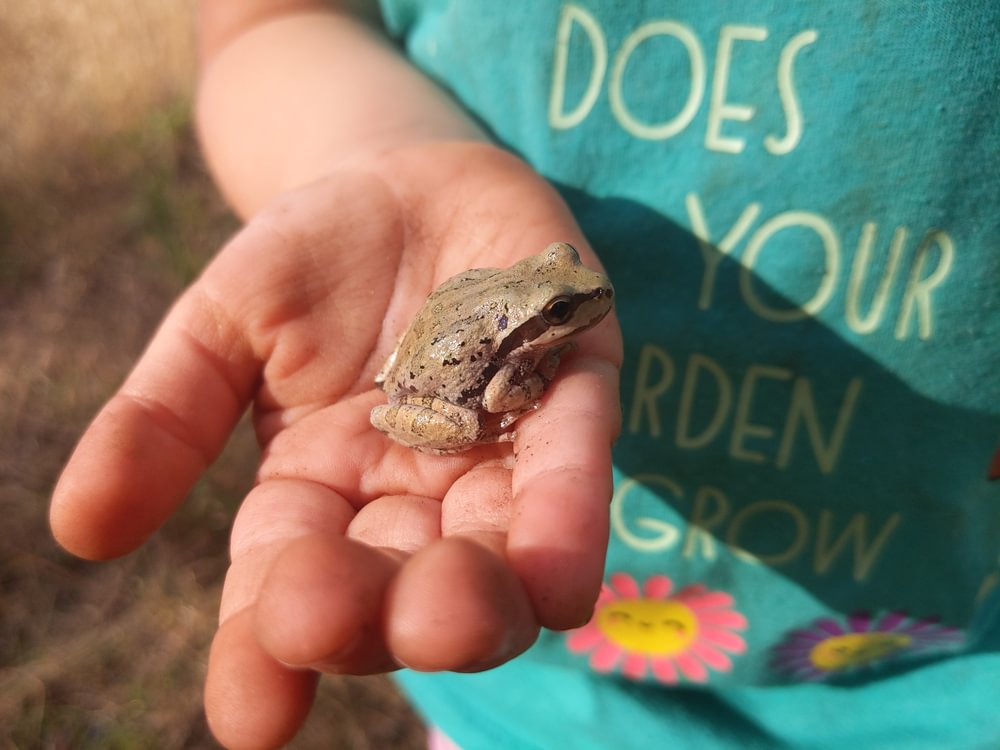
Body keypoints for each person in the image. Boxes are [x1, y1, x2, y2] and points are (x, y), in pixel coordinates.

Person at [51, 2, 1000, 748]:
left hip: (946, 690)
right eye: (563, 311)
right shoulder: (523, 342)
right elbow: (498, 391)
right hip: (530, 704)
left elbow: (540, 306)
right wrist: (374, 155)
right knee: (451, 551)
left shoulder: (554, 298)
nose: (580, 308)